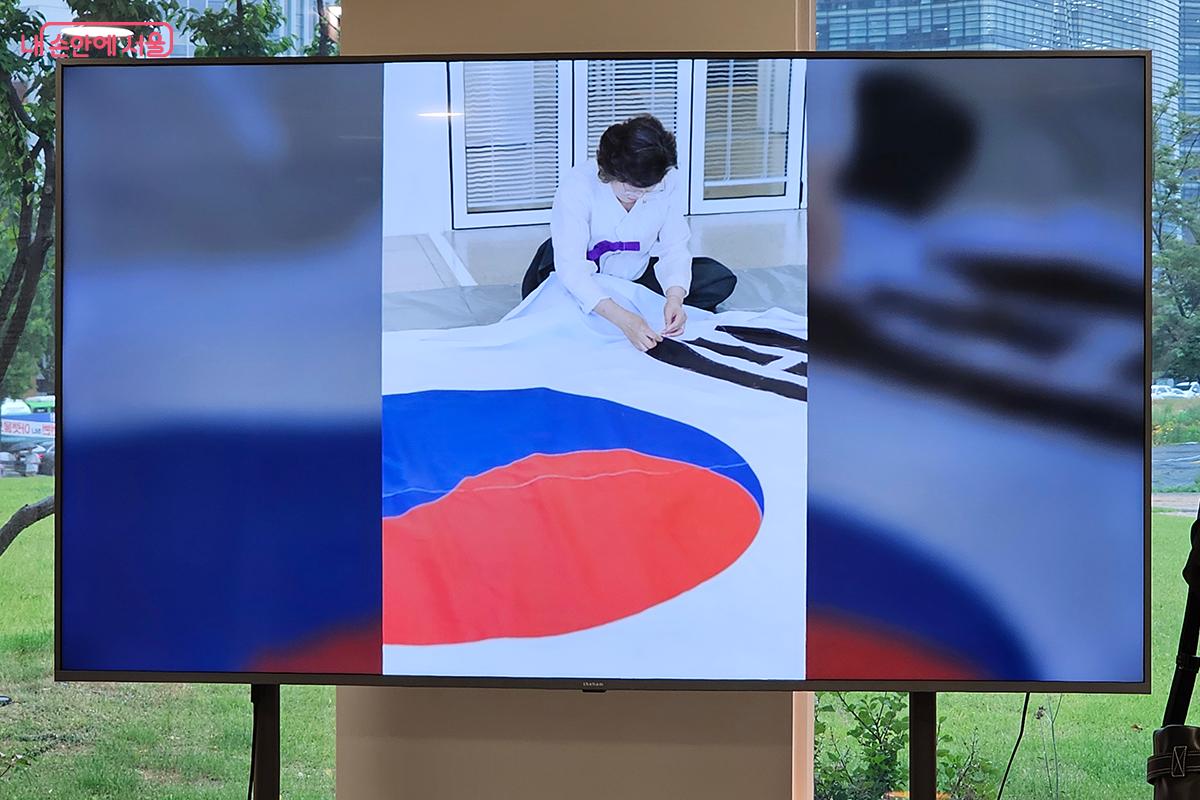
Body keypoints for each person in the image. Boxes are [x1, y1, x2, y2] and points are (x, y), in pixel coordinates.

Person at [520, 114, 737, 352]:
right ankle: (610, 312)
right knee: (552, 309)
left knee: (717, 279)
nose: (638, 196)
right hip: (581, 272)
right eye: (631, 188)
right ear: (611, 171)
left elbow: (674, 247)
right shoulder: (578, 185)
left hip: (635, 272)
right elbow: (571, 268)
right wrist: (624, 320)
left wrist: (675, 298)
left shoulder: (667, 181)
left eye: (648, 189)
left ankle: (619, 312)